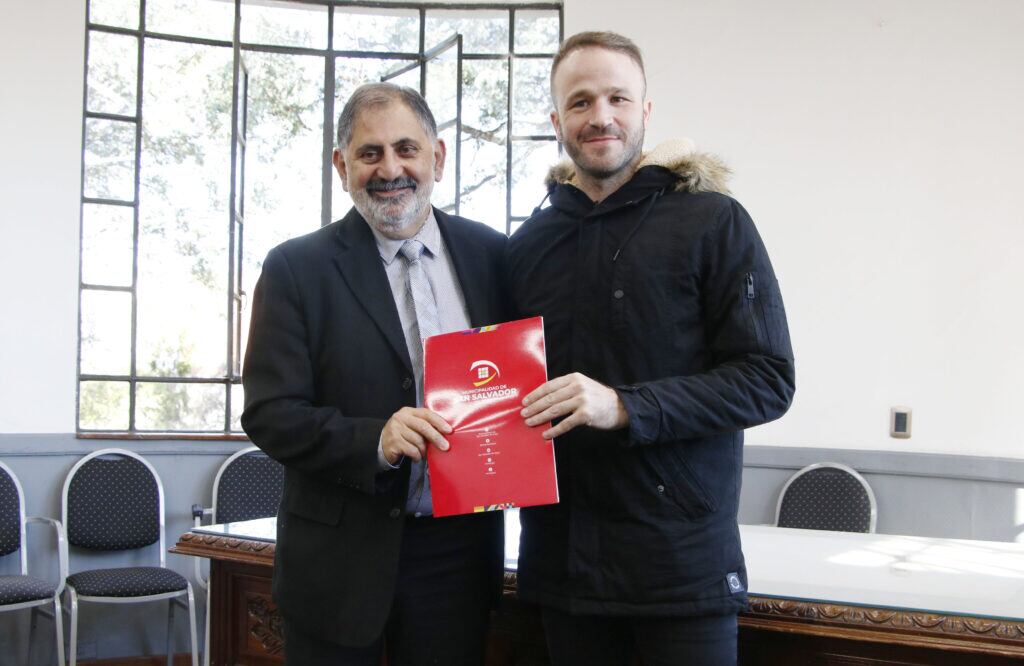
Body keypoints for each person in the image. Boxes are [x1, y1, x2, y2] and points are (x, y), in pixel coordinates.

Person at [503, 32, 796, 665]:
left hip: (683, 571)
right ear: (557, 121)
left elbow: (768, 378)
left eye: (617, 98)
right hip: (563, 568)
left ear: (646, 111)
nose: (600, 116)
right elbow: (498, 388)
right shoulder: (528, 244)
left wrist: (625, 406)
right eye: (580, 102)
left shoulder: (714, 221)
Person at [242, 82, 506, 666]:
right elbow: (269, 412)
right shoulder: (295, 268)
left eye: (406, 149)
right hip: (337, 563)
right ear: (342, 166)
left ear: (437, 156)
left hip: (456, 558)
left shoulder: (494, 255)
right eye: (369, 154)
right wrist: (375, 441)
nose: (391, 169)